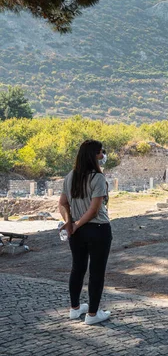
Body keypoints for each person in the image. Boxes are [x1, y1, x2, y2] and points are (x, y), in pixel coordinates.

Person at [58, 139, 112, 325]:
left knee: (78, 268)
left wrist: (69, 223)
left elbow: (62, 203)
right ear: (94, 155)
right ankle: (92, 314)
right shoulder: (98, 178)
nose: (103, 155)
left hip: (77, 231)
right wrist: (76, 224)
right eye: (101, 152)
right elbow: (94, 210)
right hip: (98, 229)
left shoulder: (70, 176)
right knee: (97, 271)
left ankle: (74, 309)